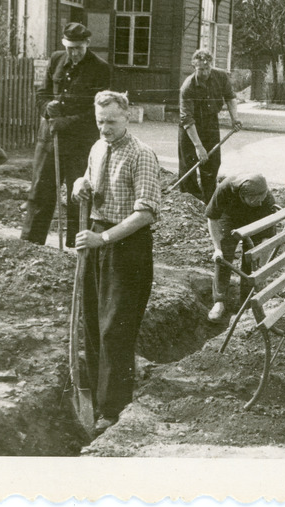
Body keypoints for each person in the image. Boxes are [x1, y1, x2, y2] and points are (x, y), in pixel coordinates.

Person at [72, 90, 161, 435]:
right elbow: (89, 183)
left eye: (111, 121)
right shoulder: (97, 148)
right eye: (99, 122)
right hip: (95, 240)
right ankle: (95, 399)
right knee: (93, 324)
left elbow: (145, 213)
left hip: (128, 247)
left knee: (115, 329)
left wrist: (104, 239)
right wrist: (81, 185)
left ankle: (113, 409)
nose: (105, 128)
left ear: (127, 116)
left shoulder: (142, 155)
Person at [22, 22, 111, 248]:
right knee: (40, 190)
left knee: (78, 194)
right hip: (49, 138)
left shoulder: (100, 68)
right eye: (70, 48)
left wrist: (66, 121)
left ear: (87, 44)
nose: (74, 53)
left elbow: (99, 111)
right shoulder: (56, 59)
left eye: (78, 48)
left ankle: (77, 245)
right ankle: (31, 243)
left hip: (80, 142)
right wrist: (46, 107)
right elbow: (41, 92)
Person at [206, 174, 277, 322]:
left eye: (261, 199)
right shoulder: (224, 189)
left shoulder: (265, 200)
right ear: (242, 195)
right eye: (254, 200)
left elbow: (267, 237)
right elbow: (212, 218)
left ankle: (247, 303)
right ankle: (219, 301)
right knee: (224, 255)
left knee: (252, 256)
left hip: (256, 220)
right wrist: (217, 248)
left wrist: (261, 266)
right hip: (230, 217)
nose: (259, 203)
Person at [178, 49, 242, 204]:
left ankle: (209, 202)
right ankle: (189, 202)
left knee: (212, 163)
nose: (205, 72)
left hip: (210, 123)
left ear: (211, 65)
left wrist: (235, 118)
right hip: (190, 127)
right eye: (201, 69)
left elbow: (230, 97)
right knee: (189, 164)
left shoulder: (220, 76)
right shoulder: (188, 87)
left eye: (208, 68)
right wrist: (198, 146)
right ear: (194, 67)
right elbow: (187, 119)